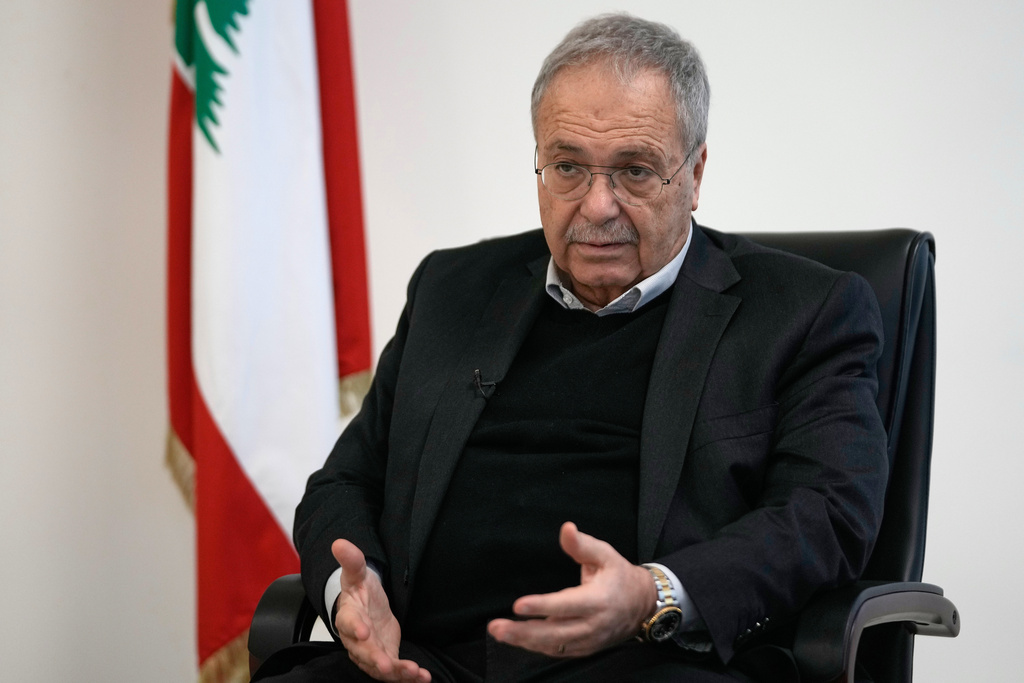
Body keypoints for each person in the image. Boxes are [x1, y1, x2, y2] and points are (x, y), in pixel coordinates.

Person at [253, 12, 887, 683]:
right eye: (567, 167)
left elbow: (829, 512)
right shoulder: (452, 288)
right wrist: (355, 590)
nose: (596, 205)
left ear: (695, 174)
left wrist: (653, 594)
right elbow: (345, 480)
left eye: (636, 171)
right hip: (420, 661)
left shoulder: (804, 310)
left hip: (644, 660)